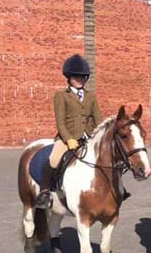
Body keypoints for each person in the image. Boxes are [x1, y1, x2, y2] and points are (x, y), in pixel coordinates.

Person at [35, 54, 103, 209]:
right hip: (68, 138)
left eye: (82, 77)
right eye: (75, 77)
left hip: (89, 136)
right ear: (69, 78)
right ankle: (45, 191)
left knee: (106, 157)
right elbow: (60, 121)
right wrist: (68, 138)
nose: (79, 80)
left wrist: (99, 136)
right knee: (54, 158)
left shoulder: (91, 96)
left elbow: (98, 119)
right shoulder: (61, 96)